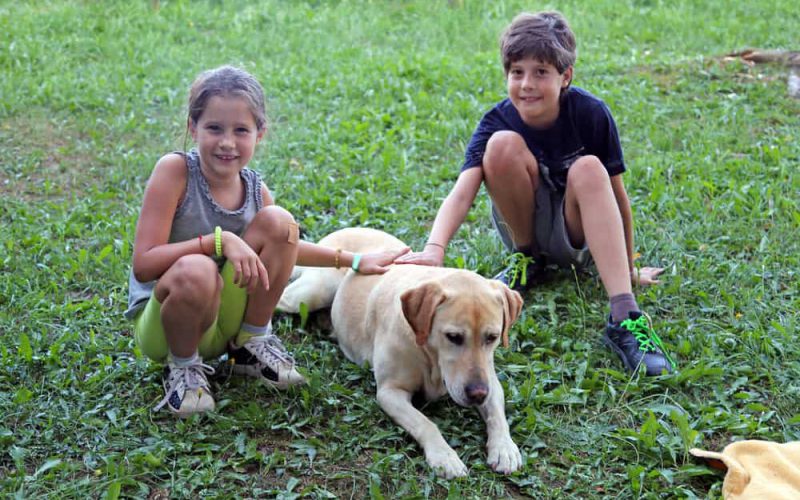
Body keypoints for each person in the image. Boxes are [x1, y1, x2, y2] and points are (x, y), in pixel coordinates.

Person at [395, 12, 675, 376]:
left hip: (577, 233)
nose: (527, 84)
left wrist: (629, 265)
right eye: (517, 72)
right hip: (524, 227)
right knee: (501, 147)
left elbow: (617, 198)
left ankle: (625, 316)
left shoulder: (591, 114)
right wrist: (434, 250)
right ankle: (528, 263)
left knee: (590, 168)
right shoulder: (496, 120)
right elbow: (462, 192)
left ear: (566, 77)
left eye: (541, 72)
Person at [125, 65, 409, 416]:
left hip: (222, 319)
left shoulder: (256, 191)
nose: (227, 142)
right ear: (192, 127)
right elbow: (144, 262)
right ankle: (183, 370)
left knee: (280, 222)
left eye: (240, 130)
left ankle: (250, 345)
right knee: (198, 269)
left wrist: (352, 260)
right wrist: (217, 242)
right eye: (214, 128)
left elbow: (287, 248)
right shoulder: (175, 172)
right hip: (166, 325)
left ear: (260, 134)